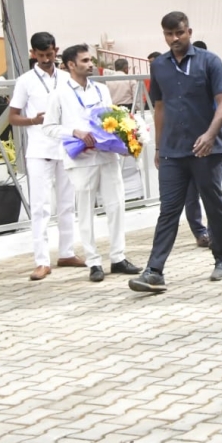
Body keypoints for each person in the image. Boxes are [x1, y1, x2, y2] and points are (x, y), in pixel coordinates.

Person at [129, 12, 222, 293]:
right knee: (168, 210)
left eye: (179, 33)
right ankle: (154, 271)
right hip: (173, 152)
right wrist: (159, 147)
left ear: (189, 31)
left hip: (206, 149)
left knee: (213, 205)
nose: (174, 39)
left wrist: (211, 135)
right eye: (168, 34)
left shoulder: (209, 61)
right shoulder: (159, 65)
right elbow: (160, 107)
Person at [43, 44, 141, 283]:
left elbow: (112, 117)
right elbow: (48, 127)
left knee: (116, 205)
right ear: (70, 65)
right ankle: (94, 261)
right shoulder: (59, 93)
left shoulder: (100, 89)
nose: (90, 64)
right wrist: (74, 132)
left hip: (107, 155)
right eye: (85, 60)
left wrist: (125, 138)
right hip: (81, 159)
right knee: (86, 210)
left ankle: (118, 257)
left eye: (90, 60)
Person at [9, 32, 81, 280]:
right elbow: (12, 116)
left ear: (56, 50)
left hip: (65, 147)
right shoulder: (25, 81)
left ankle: (67, 252)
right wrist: (33, 120)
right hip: (39, 150)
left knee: (67, 203)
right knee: (40, 207)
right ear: (33, 54)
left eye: (50, 55)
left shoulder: (66, 77)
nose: (46, 59)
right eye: (41, 56)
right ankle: (42, 260)